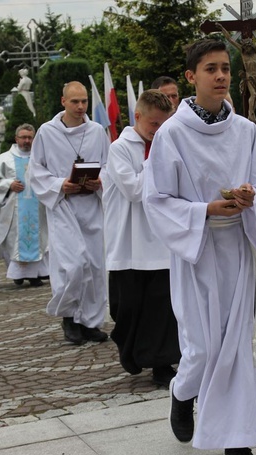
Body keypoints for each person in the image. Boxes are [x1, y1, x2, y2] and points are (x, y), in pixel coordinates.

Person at [143, 37, 256, 455]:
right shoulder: (172, 134)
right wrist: (204, 210)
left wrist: (250, 196)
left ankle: (237, 441)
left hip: (239, 249)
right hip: (198, 253)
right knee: (203, 349)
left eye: (225, 68)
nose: (222, 75)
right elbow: (156, 199)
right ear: (191, 76)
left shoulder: (244, 130)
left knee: (239, 346)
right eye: (211, 69)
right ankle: (182, 393)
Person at [103, 90, 180, 387]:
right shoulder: (120, 148)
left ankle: (162, 362)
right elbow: (134, 191)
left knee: (162, 307)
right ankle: (131, 350)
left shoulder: (168, 145)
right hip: (129, 241)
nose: (159, 130)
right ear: (137, 117)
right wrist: (155, 160)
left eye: (163, 124)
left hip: (161, 241)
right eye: (153, 124)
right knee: (127, 306)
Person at [28, 81, 110, 345]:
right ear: (63, 102)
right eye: (75, 101)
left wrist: (101, 182)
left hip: (91, 207)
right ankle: (69, 316)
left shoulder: (97, 131)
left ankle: (91, 322)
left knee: (95, 267)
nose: (81, 106)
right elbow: (36, 170)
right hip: (63, 206)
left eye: (84, 101)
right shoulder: (47, 132)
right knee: (74, 265)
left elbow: (109, 165)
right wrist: (59, 185)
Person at [0, 123, 49, 287]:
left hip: (38, 207)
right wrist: (8, 184)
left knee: (39, 239)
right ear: (16, 138)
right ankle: (18, 274)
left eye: (30, 138)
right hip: (14, 209)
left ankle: (35, 275)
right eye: (23, 137)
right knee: (15, 241)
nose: (27, 141)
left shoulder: (41, 158)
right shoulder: (3, 160)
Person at [215, 21, 256, 122]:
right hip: (249, 76)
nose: (248, 48)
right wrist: (222, 28)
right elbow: (230, 39)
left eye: (250, 46)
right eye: (247, 47)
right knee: (253, 95)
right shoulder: (243, 52)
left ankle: (252, 111)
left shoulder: (254, 52)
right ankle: (251, 114)